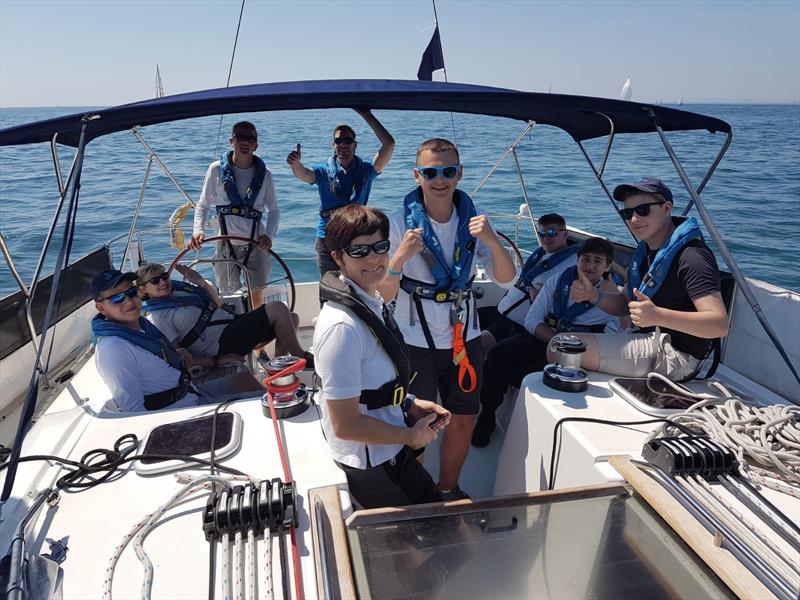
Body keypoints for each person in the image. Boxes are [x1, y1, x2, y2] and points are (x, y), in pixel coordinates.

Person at [379, 138, 517, 500]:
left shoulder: (474, 223)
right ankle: (418, 493)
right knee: (418, 422)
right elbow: (384, 292)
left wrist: (493, 241)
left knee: (464, 416)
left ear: (459, 173)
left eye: (448, 171)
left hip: (463, 335)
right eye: (430, 172)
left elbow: (505, 277)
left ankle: (448, 488)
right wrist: (400, 258)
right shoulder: (397, 225)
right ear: (417, 175)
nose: (440, 179)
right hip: (414, 338)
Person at [313, 205, 450, 509]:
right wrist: (410, 437)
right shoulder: (342, 328)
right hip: (373, 464)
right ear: (337, 257)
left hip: (390, 448)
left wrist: (410, 403)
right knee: (452, 538)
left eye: (380, 247)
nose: (373, 258)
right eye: (359, 250)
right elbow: (345, 424)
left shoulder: (370, 300)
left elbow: (373, 383)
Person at [561, 177, 729, 380]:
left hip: (678, 355)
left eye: (643, 210)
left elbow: (719, 325)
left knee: (562, 348)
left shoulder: (692, 258)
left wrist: (658, 315)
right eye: (627, 213)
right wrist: (594, 295)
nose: (634, 219)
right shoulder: (645, 251)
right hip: (644, 337)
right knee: (563, 344)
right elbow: (626, 306)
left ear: (667, 209)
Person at [472, 237, 620, 447]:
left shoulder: (613, 298)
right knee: (498, 355)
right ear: (577, 260)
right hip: (547, 336)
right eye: (585, 259)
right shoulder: (557, 282)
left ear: (608, 266)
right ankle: (487, 415)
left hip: (581, 350)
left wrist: (571, 351)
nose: (590, 265)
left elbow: (613, 335)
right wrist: (555, 341)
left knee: (535, 373)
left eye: (598, 261)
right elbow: (533, 319)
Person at [91, 270, 264, 413]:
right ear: (101, 307)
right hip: (181, 408)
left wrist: (176, 354)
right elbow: (132, 411)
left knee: (246, 379)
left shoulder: (141, 328)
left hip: (190, 391)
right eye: (116, 298)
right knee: (263, 403)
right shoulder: (114, 349)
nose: (128, 300)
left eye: (130, 292)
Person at [136, 262, 312, 369]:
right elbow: (178, 355)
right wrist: (218, 360)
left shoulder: (179, 293)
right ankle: (301, 357)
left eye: (164, 276)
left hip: (229, 327)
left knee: (292, 317)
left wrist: (200, 282)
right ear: (143, 289)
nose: (163, 282)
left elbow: (218, 303)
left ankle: (280, 365)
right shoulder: (159, 317)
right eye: (155, 281)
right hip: (219, 345)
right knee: (278, 308)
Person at [286, 109, 395, 281]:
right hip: (327, 236)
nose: (343, 144)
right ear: (333, 145)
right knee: (329, 286)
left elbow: (389, 144)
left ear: (355, 145)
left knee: (357, 284)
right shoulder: (323, 171)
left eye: (348, 140)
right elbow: (304, 174)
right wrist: (295, 164)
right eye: (338, 141)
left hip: (357, 236)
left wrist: (366, 114)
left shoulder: (367, 170)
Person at [190, 121, 279, 309]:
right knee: (227, 296)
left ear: (256, 145)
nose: (245, 142)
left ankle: (257, 334)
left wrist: (268, 236)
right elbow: (203, 204)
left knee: (257, 296)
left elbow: (274, 211)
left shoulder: (266, 175)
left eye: (250, 138)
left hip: (256, 243)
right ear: (232, 141)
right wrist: (198, 231)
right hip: (224, 242)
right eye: (240, 137)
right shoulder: (216, 169)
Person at [479, 213, 577, 353]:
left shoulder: (573, 264)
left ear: (565, 234)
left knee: (480, 342)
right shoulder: (542, 254)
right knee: (463, 322)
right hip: (501, 311)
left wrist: (544, 297)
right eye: (542, 234)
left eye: (551, 233)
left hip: (520, 323)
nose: (546, 238)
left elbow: (569, 300)